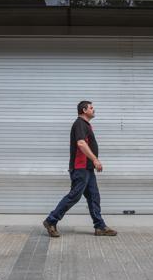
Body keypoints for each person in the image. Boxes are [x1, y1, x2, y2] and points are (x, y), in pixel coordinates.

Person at [43, 101, 117, 237]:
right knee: (74, 196)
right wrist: (95, 159)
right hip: (80, 169)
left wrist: (92, 163)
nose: (94, 110)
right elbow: (81, 143)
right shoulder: (80, 124)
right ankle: (51, 220)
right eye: (91, 108)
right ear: (84, 110)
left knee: (94, 197)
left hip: (87, 169)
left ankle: (99, 227)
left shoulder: (86, 125)